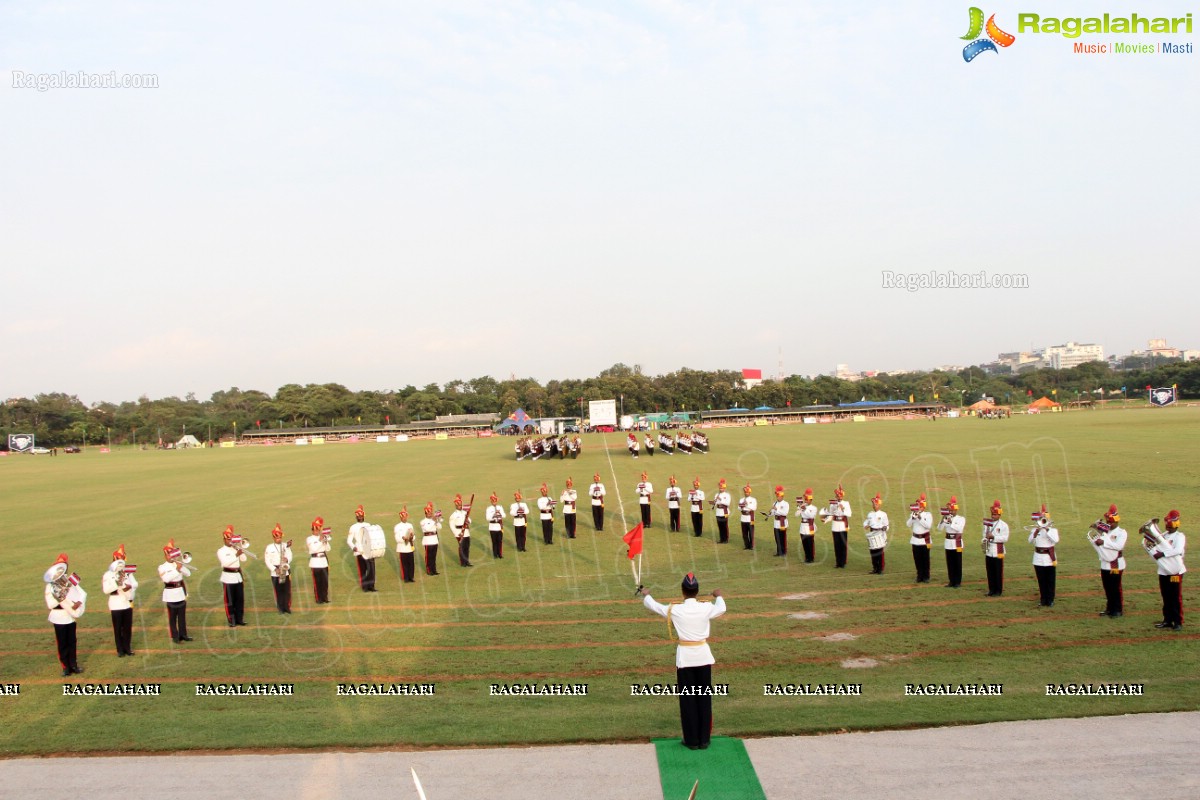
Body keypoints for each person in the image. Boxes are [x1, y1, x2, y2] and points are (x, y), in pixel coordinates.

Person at [638, 573, 727, 750]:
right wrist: (718, 595)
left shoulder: (675, 609)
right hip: (703, 656)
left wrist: (646, 594)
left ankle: (691, 740)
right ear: (697, 591)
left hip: (686, 659)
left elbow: (655, 607)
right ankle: (704, 739)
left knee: (688, 700)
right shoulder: (705, 607)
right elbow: (722, 608)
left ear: (683, 591)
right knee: (703, 698)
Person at [44, 553, 85, 676]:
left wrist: (79, 602)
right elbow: (50, 605)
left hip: (70, 616)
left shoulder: (70, 581)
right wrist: (60, 594)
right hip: (58, 616)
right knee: (62, 643)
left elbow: (82, 593)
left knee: (72, 641)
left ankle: (73, 665)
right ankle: (65, 667)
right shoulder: (50, 586)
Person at [1147, 510, 1186, 630]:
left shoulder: (1180, 536)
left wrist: (1162, 554)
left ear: (1175, 524)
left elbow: (1178, 550)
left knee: (1175, 597)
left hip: (1175, 570)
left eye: (1169, 523)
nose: (1167, 525)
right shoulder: (1163, 536)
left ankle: (1178, 622)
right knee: (1166, 596)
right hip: (1163, 570)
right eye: (1167, 523)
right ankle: (1167, 620)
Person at [102, 544, 137, 657]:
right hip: (116, 603)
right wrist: (117, 584)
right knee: (118, 628)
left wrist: (130, 586)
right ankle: (120, 650)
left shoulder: (127, 572)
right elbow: (106, 590)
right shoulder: (108, 575)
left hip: (126, 602)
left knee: (127, 627)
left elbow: (135, 583)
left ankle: (127, 648)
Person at [1090, 504, 1126, 617]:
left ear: (1116, 521)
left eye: (1111, 521)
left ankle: (1118, 609)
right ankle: (1110, 608)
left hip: (1116, 564)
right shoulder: (1105, 532)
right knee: (1108, 588)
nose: (1109, 523)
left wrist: (1104, 541)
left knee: (1115, 588)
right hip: (1105, 563)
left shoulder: (1122, 533)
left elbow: (1119, 546)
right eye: (1108, 521)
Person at [158, 540, 192, 643]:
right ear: (165, 555)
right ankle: (174, 636)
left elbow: (188, 574)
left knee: (182, 616)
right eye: (169, 554)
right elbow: (166, 579)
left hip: (180, 592)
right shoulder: (162, 567)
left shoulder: (178, 564)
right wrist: (177, 570)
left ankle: (183, 634)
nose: (171, 556)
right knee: (172, 616)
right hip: (170, 593)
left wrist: (181, 567)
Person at [1028, 504, 1059, 606]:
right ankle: (1043, 599)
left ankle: (1050, 600)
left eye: (1044, 519)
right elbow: (1029, 541)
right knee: (1041, 580)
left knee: (1050, 580)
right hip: (1038, 558)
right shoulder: (1035, 530)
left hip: (1049, 558)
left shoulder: (1053, 530)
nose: (1043, 521)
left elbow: (1056, 540)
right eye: (1041, 519)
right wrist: (1036, 532)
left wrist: (1047, 530)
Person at [982, 500, 1009, 596]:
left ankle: (998, 590)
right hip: (989, 549)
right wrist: (984, 540)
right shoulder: (987, 524)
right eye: (992, 514)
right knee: (990, 571)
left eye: (995, 514)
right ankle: (991, 589)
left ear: (999, 515)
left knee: (998, 571)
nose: (993, 516)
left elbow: (1005, 538)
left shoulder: (1003, 525)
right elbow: (983, 535)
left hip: (998, 550)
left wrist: (993, 537)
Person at [264, 524, 293, 614]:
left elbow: (290, 555)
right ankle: (280, 608)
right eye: (277, 538)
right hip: (276, 571)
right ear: (273, 538)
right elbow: (267, 560)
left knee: (286, 590)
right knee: (278, 590)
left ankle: (287, 607)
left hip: (284, 569)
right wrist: (273, 569)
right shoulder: (269, 547)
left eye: (280, 537)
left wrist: (287, 559)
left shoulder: (285, 545)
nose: (279, 539)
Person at [820, 485, 852, 568]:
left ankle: (843, 562)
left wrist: (843, 509)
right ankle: (838, 562)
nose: (837, 497)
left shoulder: (846, 503)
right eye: (836, 495)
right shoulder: (833, 504)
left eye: (838, 495)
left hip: (842, 526)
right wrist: (825, 520)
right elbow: (831, 514)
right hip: (835, 525)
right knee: (837, 545)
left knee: (843, 545)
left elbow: (849, 514)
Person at [938, 496, 965, 588]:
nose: (951, 512)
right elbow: (939, 528)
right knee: (950, 563)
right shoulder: (946, 517)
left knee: (957, 563)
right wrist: (942, 520)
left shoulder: (961, 519)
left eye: (953, 510)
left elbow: (959, 529)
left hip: (956, 542)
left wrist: (951, 522)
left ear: (956, 510)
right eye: (950, 510)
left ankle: (957, 582)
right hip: (948, 542)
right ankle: (951, 581)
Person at [348, 505, 377, 592]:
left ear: (363, 516)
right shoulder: (353, 527)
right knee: (363, 569)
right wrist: (353, 547)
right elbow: (349, 540)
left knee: (371, 569)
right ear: (356, 517)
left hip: (369, 550)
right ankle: (365, 587)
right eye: (358, 516)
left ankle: (371, 586)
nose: (360, 517)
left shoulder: (368, 525)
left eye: (361, 516)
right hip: (360, 550)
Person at [906, 493, 933, 583]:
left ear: (923, 507)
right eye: (918, 506)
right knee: (917, 559)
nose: (919, 507)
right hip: (915, 540)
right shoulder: (913, 514)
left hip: (925, 540)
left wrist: (920, 518)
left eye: (920, 506)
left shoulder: (928, 515)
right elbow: (908, 524)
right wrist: (913, 518)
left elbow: (928, 526)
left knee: (925, 559)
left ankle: (926, 576)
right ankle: (919, 575)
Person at [307, 517, 332, 603]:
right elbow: (314, 549)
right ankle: (318, 599)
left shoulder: (322, 537)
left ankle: (325, 597)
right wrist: (321, 541)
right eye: (316, 530)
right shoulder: (310, 539)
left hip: (324, 562)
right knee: (317, 582)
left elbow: (328, 549)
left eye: (318, 529)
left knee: (325, 582)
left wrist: (325, 541)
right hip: (315, 562)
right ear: (313, 530)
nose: (317, 531)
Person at [863, 493, 888, 574]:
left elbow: (887, 525)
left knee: (880, 552)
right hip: (872, 532)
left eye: (875, 504)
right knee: (873, 552)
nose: (874, 505)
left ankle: (880, 569)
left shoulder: (883, 514)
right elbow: (866, 521)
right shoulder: (870, 514)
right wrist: (866, 525)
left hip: (880, 533)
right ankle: (875, 568)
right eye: (873, 504)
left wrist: (885, 528)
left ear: (879, 505)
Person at [795, 489, 818, 563]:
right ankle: (807, 557)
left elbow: (811, 516)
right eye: (805, 499)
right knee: (804, 543)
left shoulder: (813, 508)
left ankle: (811, 558)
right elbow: (796, 515)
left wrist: (805, 510)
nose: (806, 501)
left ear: (811, 500)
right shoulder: (803, 506)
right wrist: (799, 508)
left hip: (809, 527)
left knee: (810, 543)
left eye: (807, 500)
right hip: (803, 527)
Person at [449, 494, 472, 566]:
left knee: (466, 547)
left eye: (460, 504)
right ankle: (463, 562)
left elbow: (470, 520)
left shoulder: (465, 512)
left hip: (466, 532)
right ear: (456, 505)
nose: (459, 506)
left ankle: (467, 561)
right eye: (458, 505)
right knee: (462, 548)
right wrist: (456, 534)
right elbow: (451, 525)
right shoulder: (453, 515)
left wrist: (468, 521)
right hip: (459, 532)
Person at [394, 507, 417, 581]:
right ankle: (406, 577)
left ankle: (411, 577)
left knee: (411, 563)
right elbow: (397, 538)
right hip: (402, 547)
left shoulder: (410, 525)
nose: (404, 518)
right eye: (403, 517)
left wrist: (412, 537)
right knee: (404, 564)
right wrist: (403, 538)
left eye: (405, 517)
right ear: (401, 518)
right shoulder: (397, 526)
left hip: (409, 546)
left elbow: (413, 535)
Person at [421, 503, 442, 575]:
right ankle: (429, 569)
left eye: (431, 513)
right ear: (426, 514)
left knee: (433, 556)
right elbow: (427, 529)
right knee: (428, 556)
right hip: (428, 540)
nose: (430, 514)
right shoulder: (423, 521)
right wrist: (433, 521)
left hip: (434, 540)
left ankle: (434, 569)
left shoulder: (433, 520)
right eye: (429, 513)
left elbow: (439, 527)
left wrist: (437, 521)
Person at [484, 493, 506, 558]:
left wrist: (499, 514)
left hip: (499, 526)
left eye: (495, 501)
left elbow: (504, 515)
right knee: (494, 541)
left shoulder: (500, 507)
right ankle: (495, 554)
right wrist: (494, 515)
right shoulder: (489, 508)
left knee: (500, 541)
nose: (494, 502)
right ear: (491, 501)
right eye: (493, 501)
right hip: (492, 527)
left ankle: (500, 554)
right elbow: (487, 518)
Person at [770, 486, 789, 557]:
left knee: (782, 538)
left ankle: (784, 552)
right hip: (776, 523)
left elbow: (785, 513)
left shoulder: (785, 504)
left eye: (778, 496)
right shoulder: (775, 503)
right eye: (776, 496)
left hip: (782, 522)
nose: (777, 497)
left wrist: (776, 509)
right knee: (777, 537)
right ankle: (779, 551)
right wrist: (770, 513)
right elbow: (773, 512)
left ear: (781, 496)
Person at [738, 484, 757, 550]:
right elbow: (739, 508)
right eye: (745, 492)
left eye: (748, 492)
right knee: (744, 533)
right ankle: (747, 545)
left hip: (750, 517)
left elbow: (754, 508)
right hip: (743, 517)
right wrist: (742, 507)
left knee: (751, 533)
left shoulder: (753, 500)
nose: (746, 493)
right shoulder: (741, 499)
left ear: (750, 492)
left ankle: (752, 546)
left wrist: (747, 505)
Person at [713, 478, 731, 544]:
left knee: (724, 526)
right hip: (718, 511)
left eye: (722, 488)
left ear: (724, 488)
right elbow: (715, 504)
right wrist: (713, 502)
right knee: (720, 526)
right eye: (720, 488)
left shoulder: (727, 495)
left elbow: (727, 503)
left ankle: (726, 539)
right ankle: (721, 539)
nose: (721, 489)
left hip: (724, 512)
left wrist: (720, 500)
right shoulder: (716, 495)